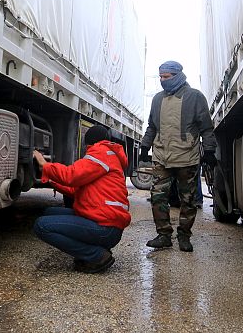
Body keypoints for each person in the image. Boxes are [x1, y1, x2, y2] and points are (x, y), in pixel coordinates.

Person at [140, 60, 217, 252]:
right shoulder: (157, 99)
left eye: (166, 77)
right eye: (160, 77)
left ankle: (184, 236)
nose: (162, 81)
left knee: (188, 200)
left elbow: (206, 128)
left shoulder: (195, 97)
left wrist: (209, 151)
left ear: (177, 75)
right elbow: (152, 126)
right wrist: (144, 146)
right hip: (162, 156)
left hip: (187, 157)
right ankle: (164, 235)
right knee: (158, 196)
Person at [31, 125, 131, 273]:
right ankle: (95, 248)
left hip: (105, 227)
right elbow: (75, 190)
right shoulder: (110, 155)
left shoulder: (101, 152)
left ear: (89, 143)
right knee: (49, 212)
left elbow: (71, 175)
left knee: (41, 226)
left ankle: (96, 255)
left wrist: (44, 165)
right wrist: (50, 180)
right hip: (106, 223)